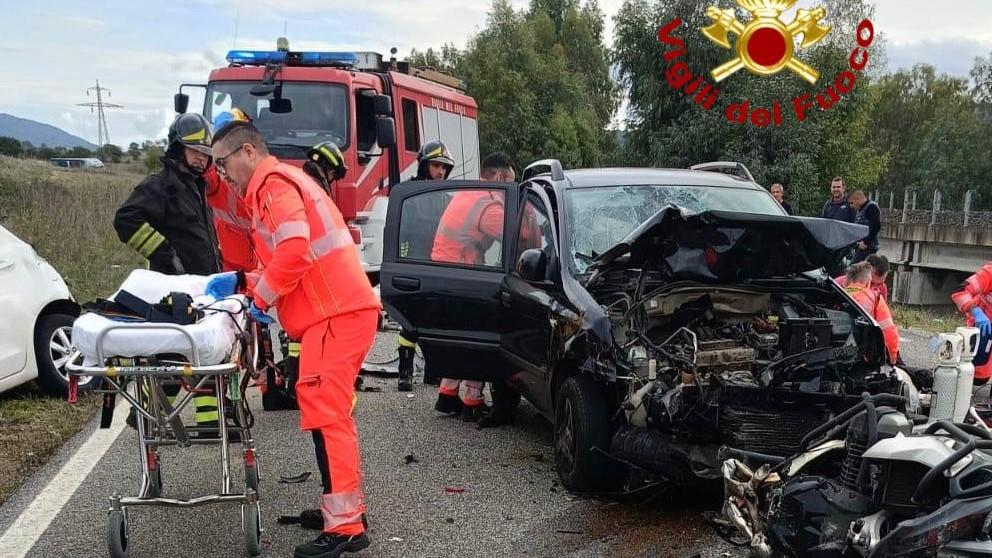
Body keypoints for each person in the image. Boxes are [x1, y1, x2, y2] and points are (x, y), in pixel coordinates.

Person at [207, 121, 379, 558]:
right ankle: (340, 510)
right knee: (326, 415)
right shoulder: (280, 184)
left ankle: (346, 529)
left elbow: (296, 250)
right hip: (334, 313)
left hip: (335, 315)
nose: (223, 175)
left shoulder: (272, 184)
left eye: (224, 164)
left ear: (247, 152)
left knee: (330, 417)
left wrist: (260, 298)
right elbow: (292, 259)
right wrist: (245, 280)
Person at [114, 112, 225, 434]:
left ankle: (209, 424)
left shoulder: (195, 186)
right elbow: (125, 220)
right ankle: (146, 416)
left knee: (203, 356)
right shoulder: (160, 186)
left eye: (206, 154)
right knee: (173, 359)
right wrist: (165, 254)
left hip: (201, 286)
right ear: (177, 148)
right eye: (196, 152)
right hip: (173, 289)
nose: (202, 159)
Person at [429, 153, 507, 421]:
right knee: (478, 340)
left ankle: (447, 396)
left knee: (460, 338)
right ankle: (472, 402)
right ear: (499, 177)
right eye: (510, 182)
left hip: (446, 271)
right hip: (464, 274)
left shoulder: (469, 193)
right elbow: (514, 234)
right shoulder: (489, 201)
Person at [394, 140, 457, 392]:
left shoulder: (448, 198)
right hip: (414, 265)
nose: (440, 172)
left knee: (437, 321)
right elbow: (399, 232)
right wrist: (402, 262)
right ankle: (405, 373)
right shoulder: (408, 193)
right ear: (424, 165)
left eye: (444, 168)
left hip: (439, 265)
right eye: (436, 166)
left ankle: (434, 372)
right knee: (409, 322)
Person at [844, 262, 899, 364]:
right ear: (867, 282)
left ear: (847, 280)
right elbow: (889, 332)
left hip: (842, 357)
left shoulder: (838, 296)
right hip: (865, 359)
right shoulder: (875, 298)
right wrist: (892, 360)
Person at [951, 262, 992, 384]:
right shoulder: (989, 273)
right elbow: (960, 291)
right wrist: (976, 312)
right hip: (984, 326)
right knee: (977, 378)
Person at [849, 190, 881, 263]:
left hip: (867, 248)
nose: (851, 206)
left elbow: (876, 226)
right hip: (862, 247)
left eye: (852, 203)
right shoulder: (861, 209)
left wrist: (866, 242)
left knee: (854, 270)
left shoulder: (871, 207)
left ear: (858, 199)